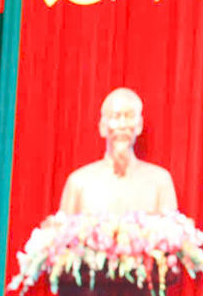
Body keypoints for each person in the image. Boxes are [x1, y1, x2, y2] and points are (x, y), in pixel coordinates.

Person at [59, 87, 178, 215]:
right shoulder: (79, 182)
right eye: (115, 117)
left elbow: (171, 226)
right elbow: (62, 226)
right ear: (102, 127)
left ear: (139, 125)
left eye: (129, 116)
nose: (122, 125)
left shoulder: (159, 181)